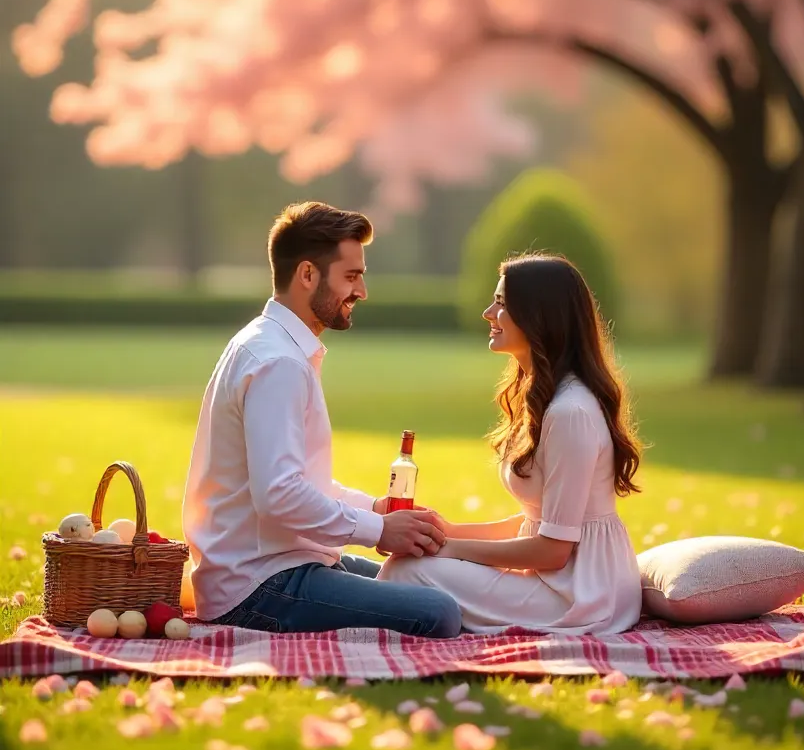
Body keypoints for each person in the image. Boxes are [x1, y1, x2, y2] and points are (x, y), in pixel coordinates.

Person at [182, 201, 462, 639]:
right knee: (437, 611)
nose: (362, 291)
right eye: (351, 276)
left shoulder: (273, 346)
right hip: (257, 588)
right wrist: (378, 532)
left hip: (288, 563)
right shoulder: (278, 362)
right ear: (307, 275)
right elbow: (279, 496)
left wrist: (376, 510)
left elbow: (297, 484)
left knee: (435, 581)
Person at [379, 253, 643, 635]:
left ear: (540, 316)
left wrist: (450, 549)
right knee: (408, 567)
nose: (488, 312)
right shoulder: (547, 400)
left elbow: (552, 550)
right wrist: (447, 531)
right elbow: (536, 522)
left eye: (501, 304)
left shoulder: (571, 413)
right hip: (564, 580)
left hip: (583, 595)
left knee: (407, 572)